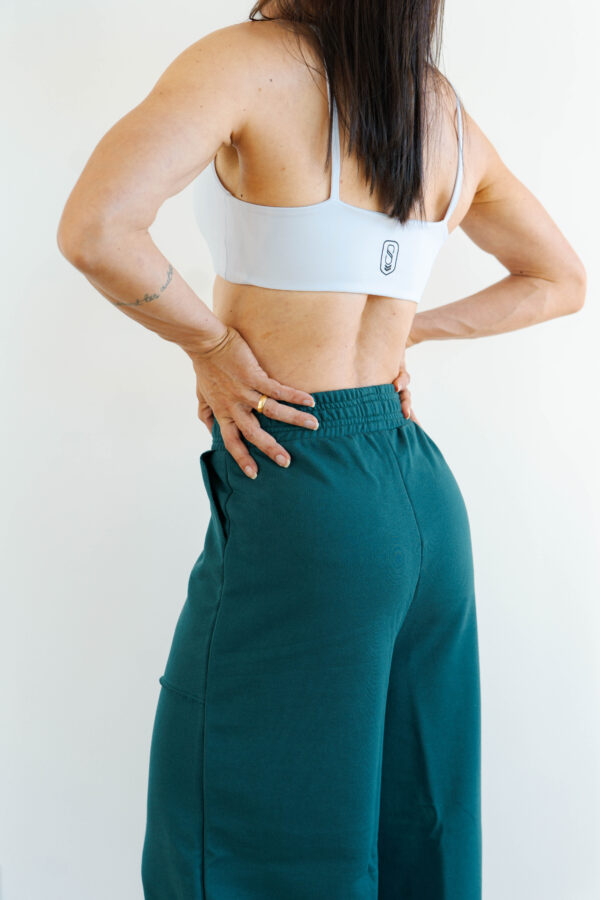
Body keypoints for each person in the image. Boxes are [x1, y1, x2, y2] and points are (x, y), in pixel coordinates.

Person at [57, 1, 586, 897]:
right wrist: (408, 332)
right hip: (421, 496)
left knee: (240, 831)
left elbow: (95, 227)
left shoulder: (245, 62)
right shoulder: (441, 111)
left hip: (304, 486)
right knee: (416, 820)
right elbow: (560, 279)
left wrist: (211, 345)